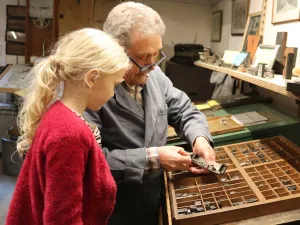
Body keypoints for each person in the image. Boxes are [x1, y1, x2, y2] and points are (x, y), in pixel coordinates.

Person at [85, 2, 216, 225]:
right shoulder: (92, 90)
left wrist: (199, 137)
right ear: (114, 52)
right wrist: (152, 158)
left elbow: (184, 110)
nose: (153, 65)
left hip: (153, 199)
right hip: (113, 207)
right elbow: (89, 161)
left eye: (157, 54)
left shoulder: (155, 76)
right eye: (144, 56)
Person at [5, 28, 130, 225]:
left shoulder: (60, 114)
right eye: (114, 85)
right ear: (92, 78)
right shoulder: (69, 135)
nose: (114, 93)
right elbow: (62, 219)